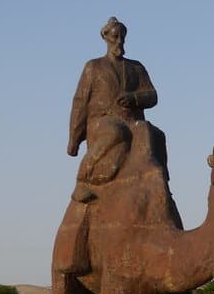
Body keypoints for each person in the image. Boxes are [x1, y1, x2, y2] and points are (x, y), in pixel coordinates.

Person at [68, 17, 159, 202]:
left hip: (130, 121)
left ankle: (154, 186)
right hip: (101, 122)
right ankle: (82, 180)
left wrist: (134, 98)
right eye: (115, 37)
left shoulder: (135, 67)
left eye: (122, 37)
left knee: (149, 132)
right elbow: (80, 103)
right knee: (116, 132)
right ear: (105, 37)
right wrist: (74, 140)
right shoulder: (93, 67)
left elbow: (152, 96)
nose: (119, 41)